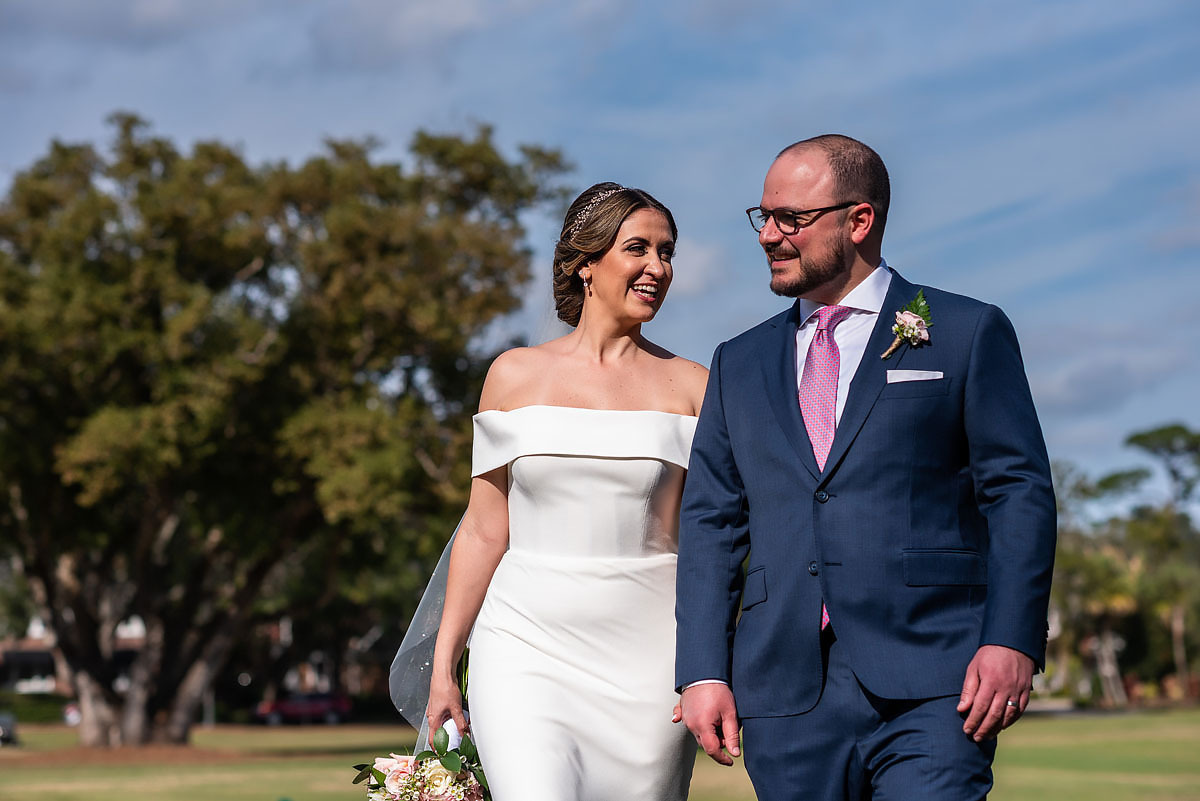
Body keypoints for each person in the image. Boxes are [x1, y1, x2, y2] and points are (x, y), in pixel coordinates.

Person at [675, 135, 1057, 800]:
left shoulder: (964, 331)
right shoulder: (738, 363)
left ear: (859, 220)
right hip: (784, 688)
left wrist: (1013, 639)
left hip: (938, 677)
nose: (768, 234)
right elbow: (712, 522)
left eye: (790, 218)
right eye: (761, 216)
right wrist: (703, 670)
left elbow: (1018, 492)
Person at [425, 182, 707, 800]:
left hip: (651, 656)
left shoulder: (694, 387)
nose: (657, 268)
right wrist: (445, 665)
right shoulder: (514, 374)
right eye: (638, 249)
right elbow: (483, 527)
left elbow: (715, 534)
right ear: (586, 262)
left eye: (667, 252)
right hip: (525, 645)